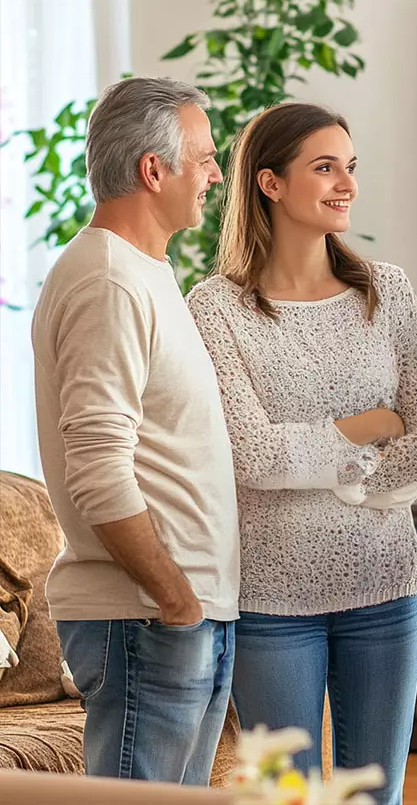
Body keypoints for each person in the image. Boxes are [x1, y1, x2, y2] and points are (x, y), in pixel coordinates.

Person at [186, 101, 417, 805]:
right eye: (325, 167)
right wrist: (369, 424)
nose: (346, 184)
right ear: (270, 183)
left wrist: (349, 483)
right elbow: (254, 457)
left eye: (351, 167)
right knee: (283, 799)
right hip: (271, 602)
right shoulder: (215, 308)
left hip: (388, 592)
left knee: (378, 796)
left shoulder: (385, 291)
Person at [31, 77, 239, 785]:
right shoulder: (108, 282)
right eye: (206, 157)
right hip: (147, 619)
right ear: (154, 170)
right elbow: (98, 469)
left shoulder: (147, 273)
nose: (216, 174)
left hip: (176, 617)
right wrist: (175, 597)